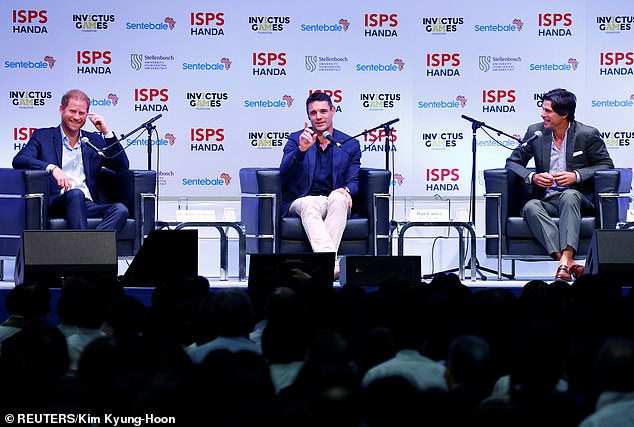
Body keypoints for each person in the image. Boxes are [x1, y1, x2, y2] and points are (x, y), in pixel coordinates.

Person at [505, 88, 613, 280]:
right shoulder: (535, 132)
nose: (542, 114)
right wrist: (533, 177)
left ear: (564, 114)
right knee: (530, 206)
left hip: (577, 200)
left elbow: (606, 165)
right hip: (547, 200)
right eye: (543, 109)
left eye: (548, 111)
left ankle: (566, 259)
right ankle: (566, 262)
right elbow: (513, 162)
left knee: (569, 195)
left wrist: (576, 175)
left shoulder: (586, 134)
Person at [12, 89, 130, 234]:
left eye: (81, 113)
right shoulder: (43, 136)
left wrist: (107, 132)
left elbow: (122, 166)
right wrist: (52, 168)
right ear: (62, 110)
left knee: (120, 209)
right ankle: (86, 251)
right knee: (75, 194)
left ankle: (88, 248)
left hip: (88, 204)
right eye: (72, 111)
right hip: (59, 202)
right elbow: (20, 160)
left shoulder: (93, 140)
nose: (76, 117)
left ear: (87, 114)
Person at [280, 92, 362, 279]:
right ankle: (330, 264)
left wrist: (346, 190)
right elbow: (283, 174)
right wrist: (301, 150)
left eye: (323, 111)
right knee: (309, 203)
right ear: (308, 116)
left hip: (333, 202)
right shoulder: (296, 139)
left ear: (333, 111)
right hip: (301, 201)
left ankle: (324, 267)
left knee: (338, 197)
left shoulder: (349, 144)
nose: (319, 117)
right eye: (314, 113)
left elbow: (354, 182)